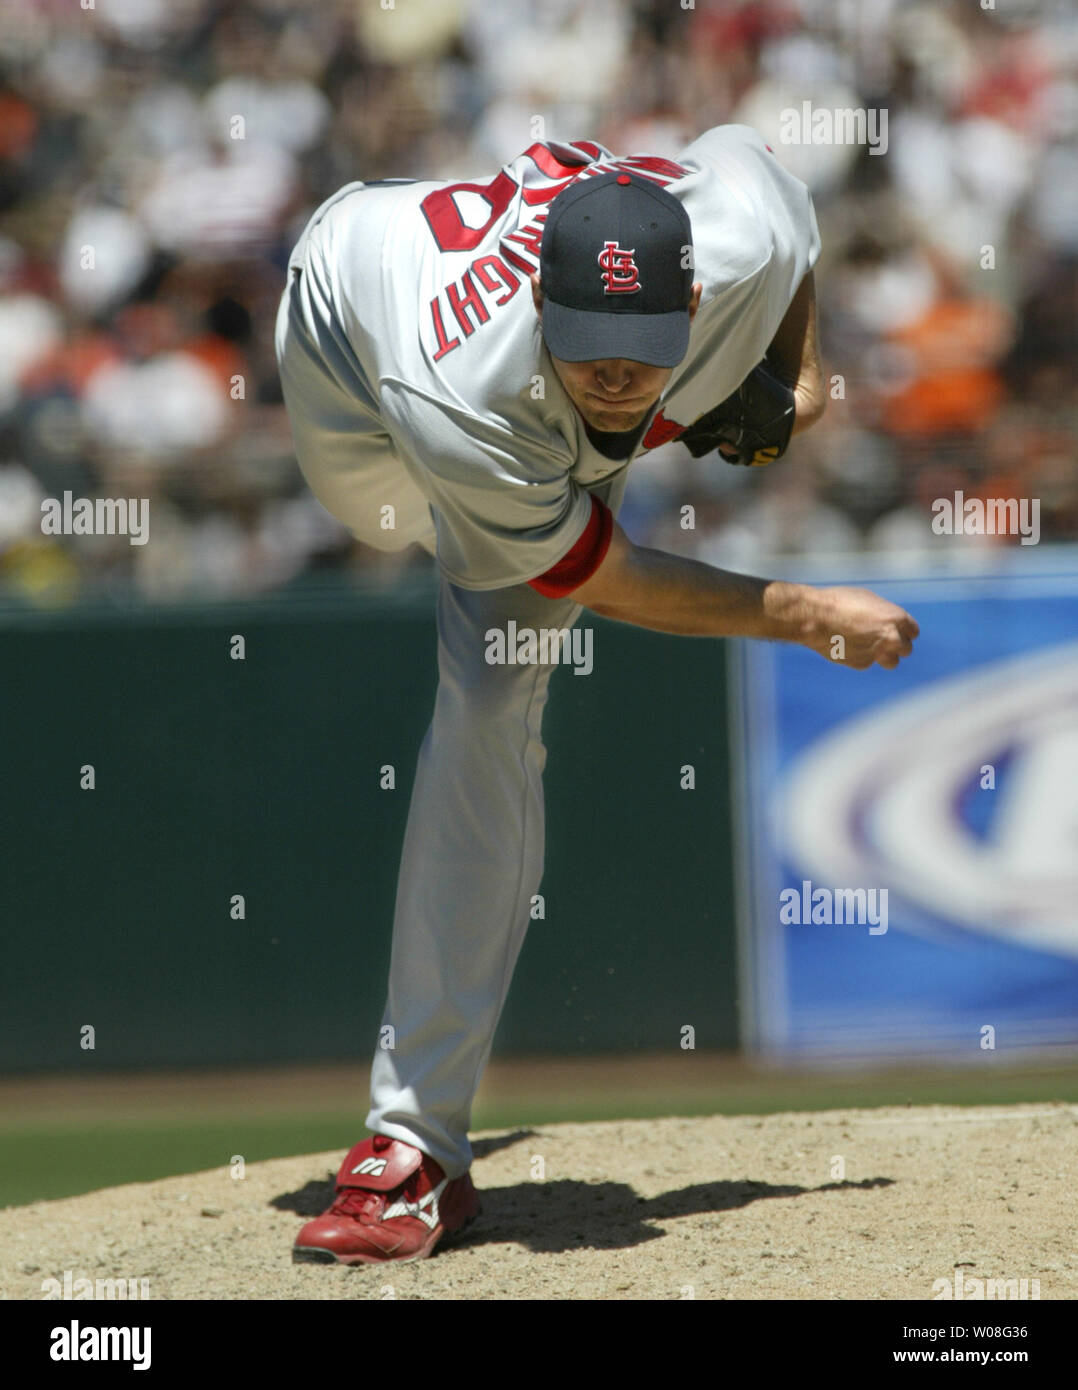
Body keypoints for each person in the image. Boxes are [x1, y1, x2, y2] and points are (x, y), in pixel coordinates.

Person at [274, 125, 918, 1266]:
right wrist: (805, 610)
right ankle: (416, 1147)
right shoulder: (460, 393)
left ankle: (412, 1145)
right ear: (540, 311)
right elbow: (609, 577)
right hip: (356, 379)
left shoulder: (738, 235)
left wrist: (802, 377)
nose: (615, 373)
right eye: (588, 350)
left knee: (494, 690)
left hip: (499, 336)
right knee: (488, 685)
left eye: (643, 348)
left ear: (693, 295)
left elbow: (775, 184)